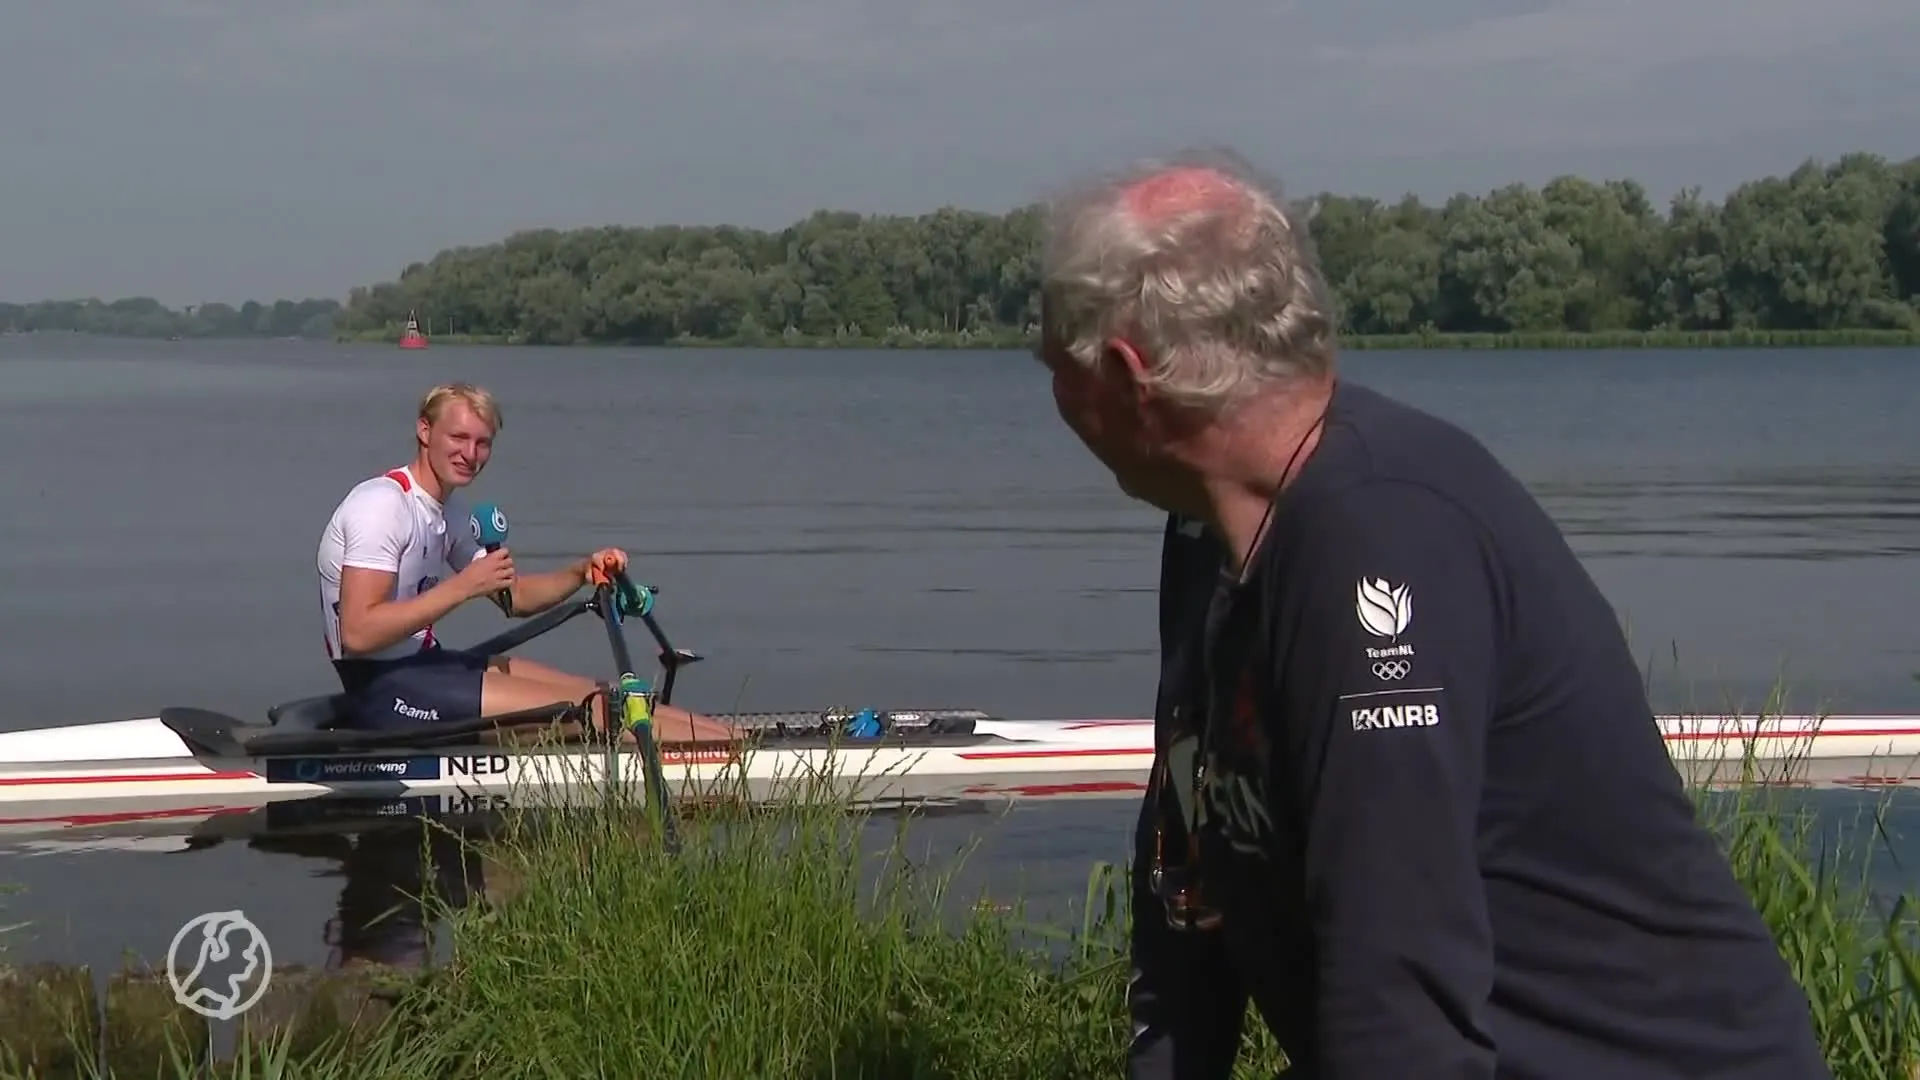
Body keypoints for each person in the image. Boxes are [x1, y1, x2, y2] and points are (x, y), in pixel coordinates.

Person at [1033, 150, 1831, 1079]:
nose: (1053, 397)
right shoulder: (1209, 528)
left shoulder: (1380, 533)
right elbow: (1186, 863)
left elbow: (1397, 977)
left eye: (1054, 364)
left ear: (1126, 376)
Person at [315, 382, 736, 746]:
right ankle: (735, 762)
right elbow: (359, 634)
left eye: (482, 443)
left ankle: (734, 744)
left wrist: (581, 572)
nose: (470, 454)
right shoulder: (382, 506)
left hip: (427, 667)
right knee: (600, 711)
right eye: (458, 438)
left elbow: (514, 597)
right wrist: (463, 587)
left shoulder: (449, 513)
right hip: (382, 690)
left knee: (611, 695)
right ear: (424, 431)